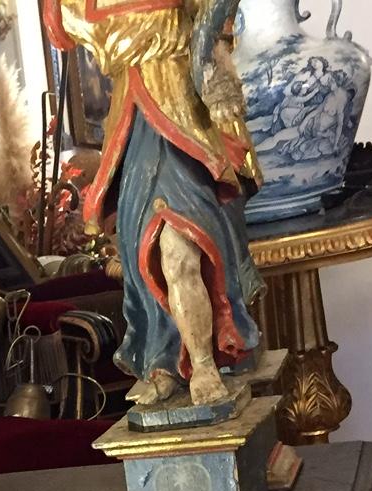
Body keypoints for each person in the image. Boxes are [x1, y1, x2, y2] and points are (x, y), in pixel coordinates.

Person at [43, 0, 264, 410]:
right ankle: (164, 362)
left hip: (184, 113)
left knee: (181, 250)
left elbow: (213, 12)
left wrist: (213, 71)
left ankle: (203, 365)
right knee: (144, 257)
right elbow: (63, 28)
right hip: (134, 122)